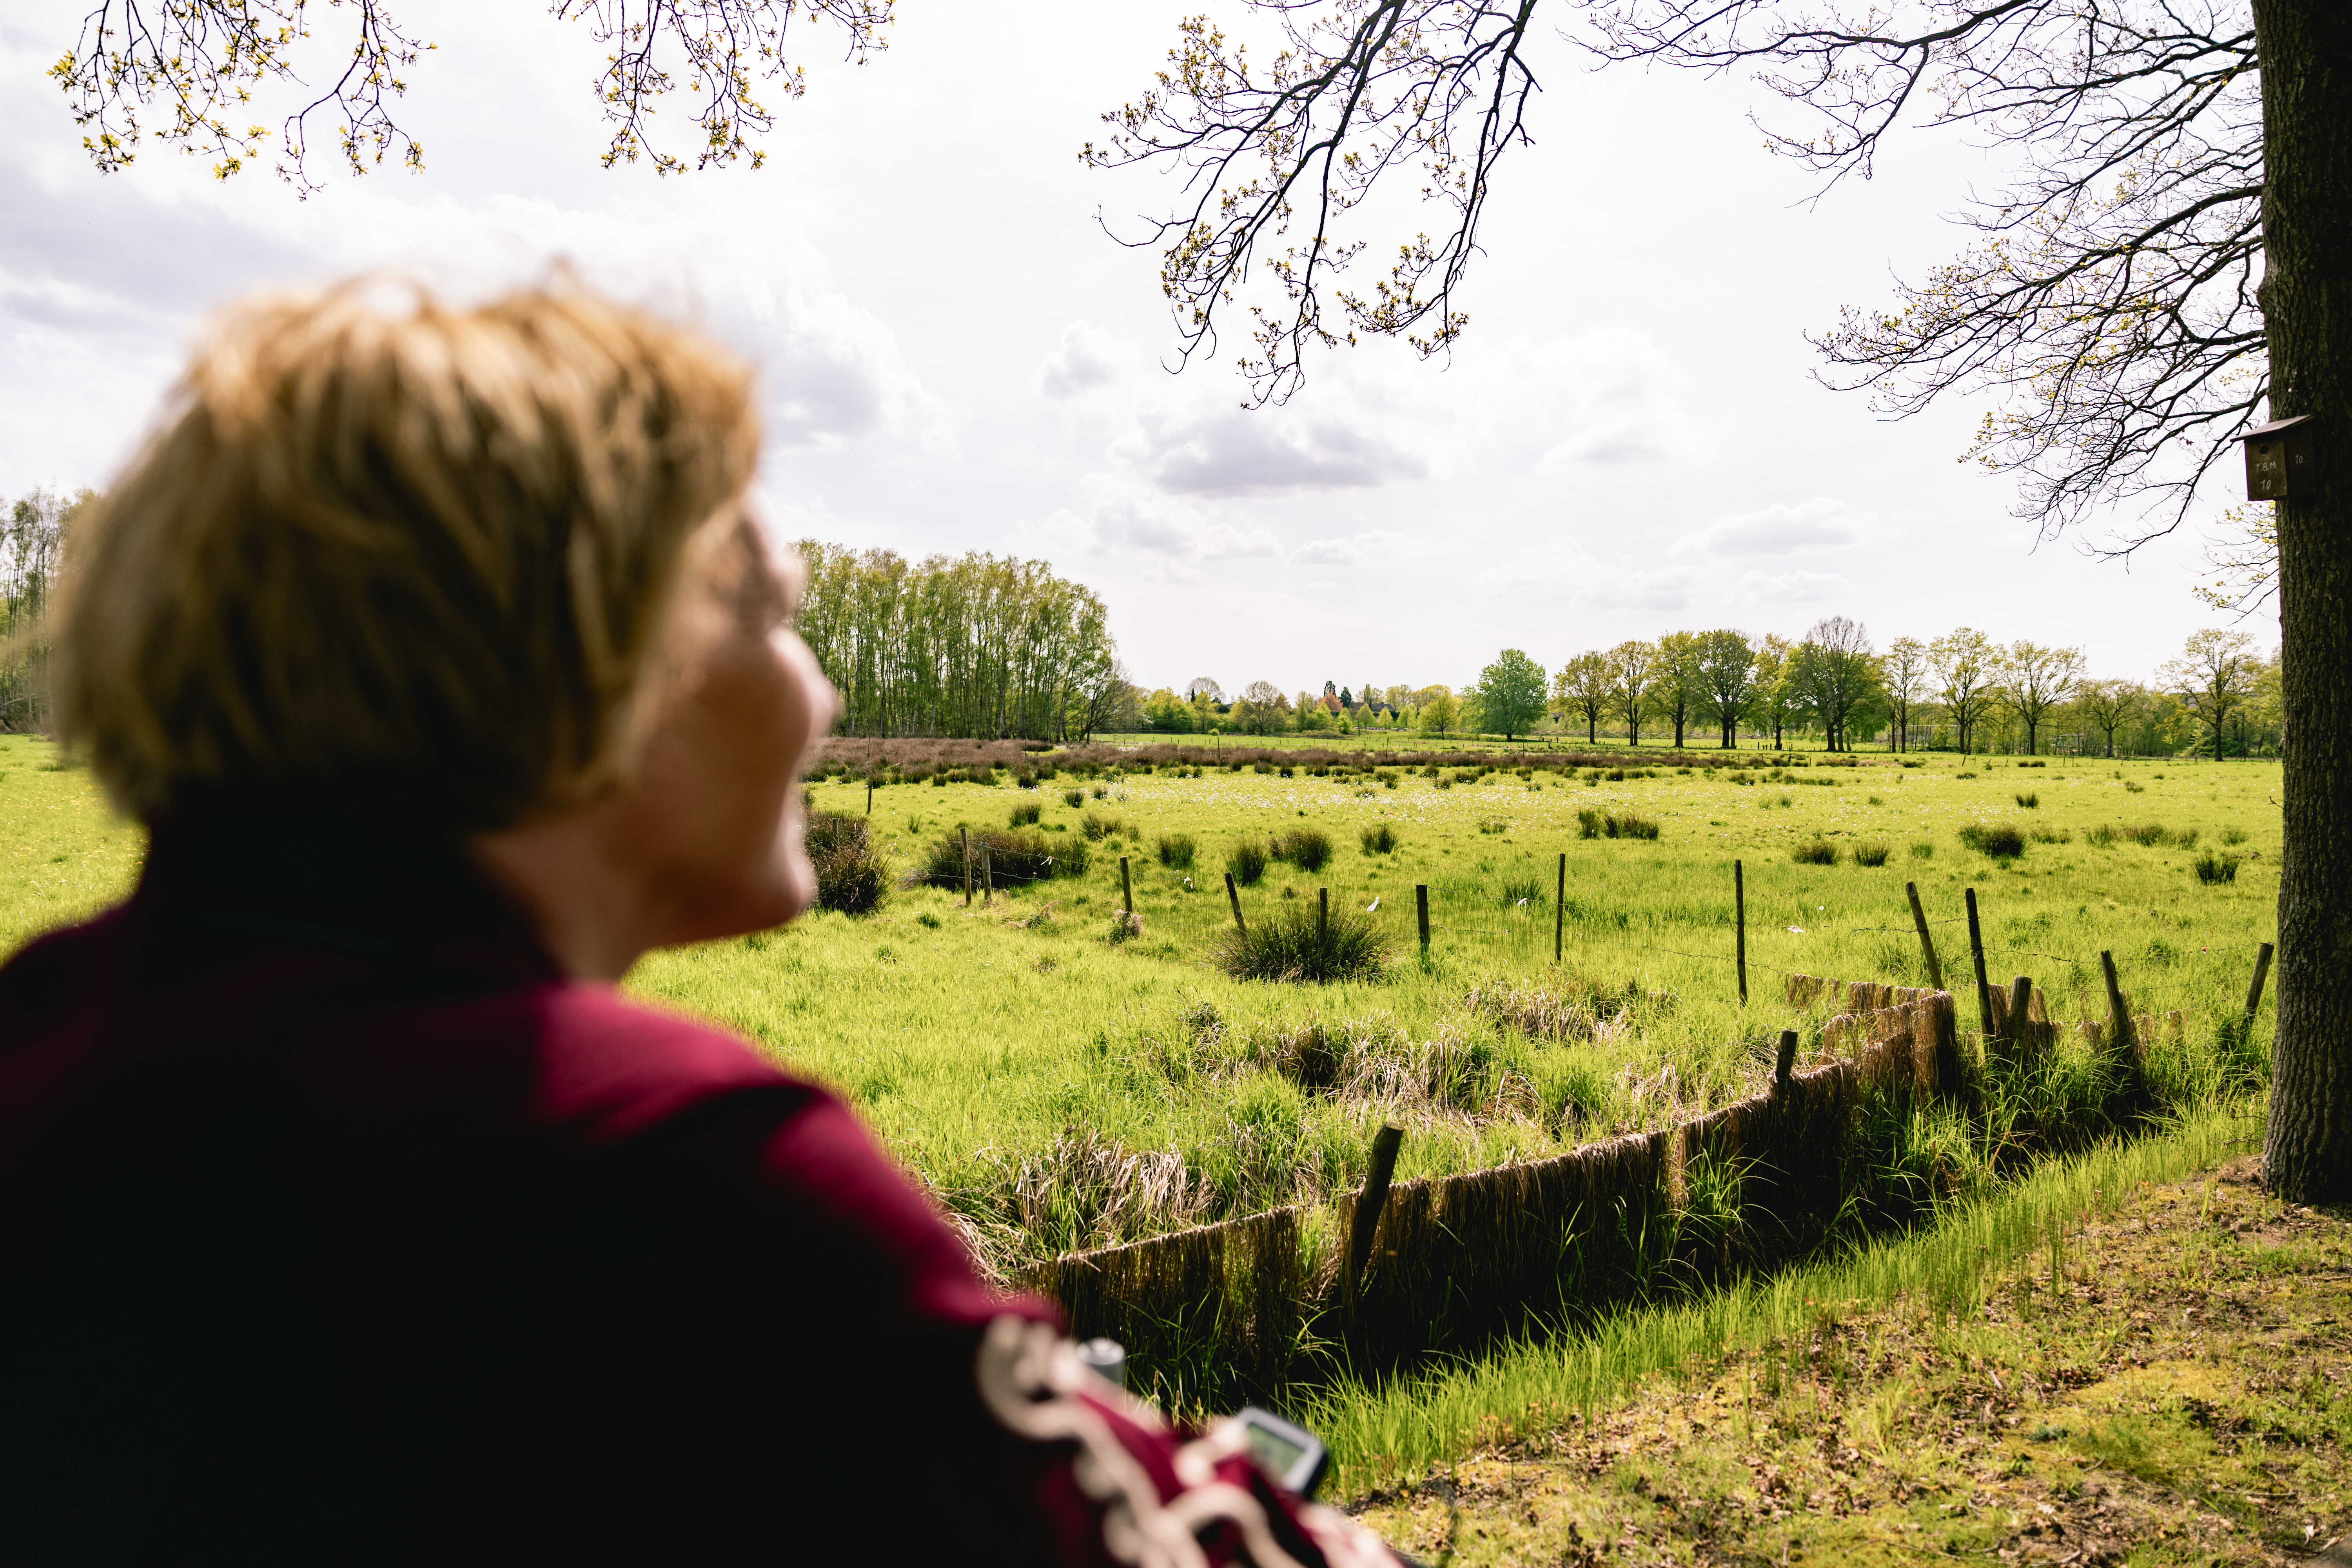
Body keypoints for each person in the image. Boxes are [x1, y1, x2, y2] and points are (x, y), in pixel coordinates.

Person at [0, 280, 1390, 1566]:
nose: (824, 697)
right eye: (773, 614)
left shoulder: (45, 1038)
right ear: (599, 654)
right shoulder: (685, 1174)